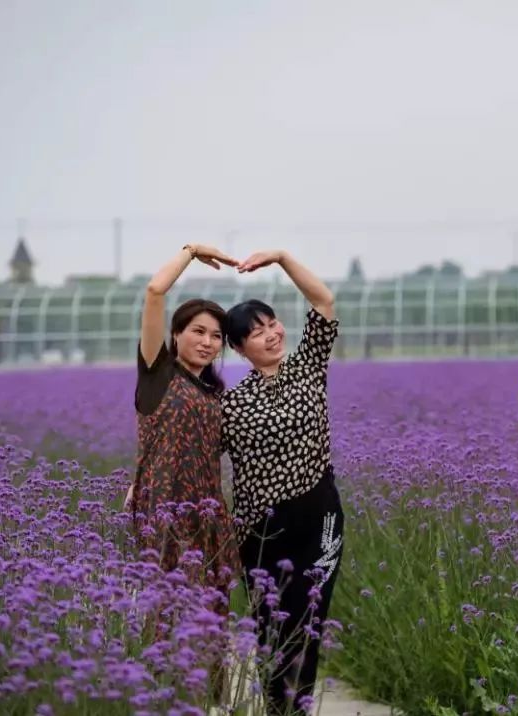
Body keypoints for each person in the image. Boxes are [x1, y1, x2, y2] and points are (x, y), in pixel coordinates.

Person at [219, 249, 343, 714]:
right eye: (255, 333)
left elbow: (324, 301)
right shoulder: (229, 404)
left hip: (319, 517)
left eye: (271, 324)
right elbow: (196, 452)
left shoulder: (308, 367)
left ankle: (297, 709)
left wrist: (282, 259)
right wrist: (144, 478)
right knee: (272, 625)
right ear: (238, 348)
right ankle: (277, 707)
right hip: (261, 530)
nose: (270, 336)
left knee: (309, 618)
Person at [125, 243, 243, 699]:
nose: (207, 342)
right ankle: (163, 698)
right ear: (176, 334)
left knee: (214, 614)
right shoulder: (158, 373)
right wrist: (191, 252)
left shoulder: (213, 392)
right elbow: (156, 291)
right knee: (169, 611)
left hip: (209, 514)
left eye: (216, 336)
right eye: (198, 331)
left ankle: (209, 703)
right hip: (165, 513)